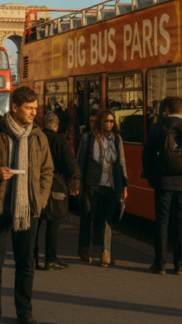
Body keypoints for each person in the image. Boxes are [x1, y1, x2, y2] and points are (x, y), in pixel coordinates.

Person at [0, 86, 54, 324]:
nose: (34, 113)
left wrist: (41, 199)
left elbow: (47, 170)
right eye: (29, 108)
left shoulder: (38, 135)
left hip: (27, 211)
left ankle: (24, 312)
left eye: (36, 108)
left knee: (26, 265)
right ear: (14, 107)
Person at [142, 96, 182, 275]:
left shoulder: (156, 129)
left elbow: (147, 157)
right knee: (181, 223)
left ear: (166, 110)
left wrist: (152, 178)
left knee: (161, 222)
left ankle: (160, 263)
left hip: (163, 182)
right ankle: (179, 264)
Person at [76, 109, 128, 268]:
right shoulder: (88, 138)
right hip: (92, 184)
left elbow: (121, 163)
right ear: (100, 121)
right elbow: (80, 161)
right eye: (106, 121)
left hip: (111, 185)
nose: (110, 124)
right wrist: (77, 180)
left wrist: (125, 184)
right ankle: (84, 249)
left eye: (112, 121)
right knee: (87, 216)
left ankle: (106, 254)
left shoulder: (117, 139)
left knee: (107, 219)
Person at [34, 112, 77, 271]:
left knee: (35, 221)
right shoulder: (60, 140)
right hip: (55, 184)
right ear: (57, 126)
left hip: (36, 183)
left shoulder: (36, 138)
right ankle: (50, 259)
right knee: (53, 221)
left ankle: (33, 258)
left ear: (43, 124)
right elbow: (71, 165)